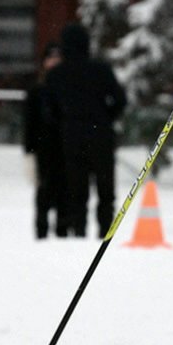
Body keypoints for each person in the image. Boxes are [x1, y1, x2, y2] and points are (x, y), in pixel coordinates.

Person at [44, 22, 127, 238]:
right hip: (101, 134)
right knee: (105, 189)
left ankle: (78, 230)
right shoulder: (101, 70)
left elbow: (49, 110)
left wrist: (66, 122)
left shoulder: (56, 75)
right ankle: (105, 231)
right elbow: (120, 99)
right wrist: (106, 117)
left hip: (71, 136)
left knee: (76, 189)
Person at [23, 42, 66, 239]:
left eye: (58, 58)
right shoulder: (37, 90)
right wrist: (29, 152)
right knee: (43, 192)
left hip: (65, 149)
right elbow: (29, 123)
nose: (54, 62)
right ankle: (41, 232)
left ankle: (63, 232)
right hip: (43, 149)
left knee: (65, 192)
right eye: (51, 58)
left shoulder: (69, 89)